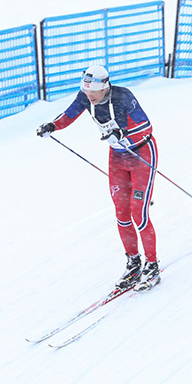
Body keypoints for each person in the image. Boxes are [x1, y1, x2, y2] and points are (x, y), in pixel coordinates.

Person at [37, 65, 160, 291]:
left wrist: (121, 133)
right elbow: (70, 114)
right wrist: (52, 126)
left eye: (93, 93)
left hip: (141, 154)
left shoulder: (123, 97)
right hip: (118, 158)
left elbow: (145, 126)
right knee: (121, 212)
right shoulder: (85, 96)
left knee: (138, 212)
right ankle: (134, 262)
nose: (89, 97)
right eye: (86, 93)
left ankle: (152, 265)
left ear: (105, 87)